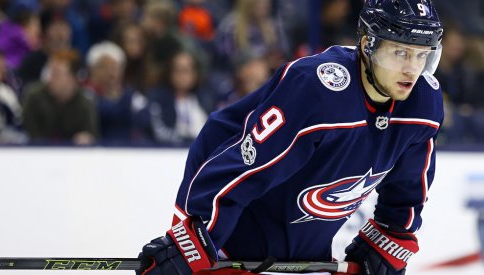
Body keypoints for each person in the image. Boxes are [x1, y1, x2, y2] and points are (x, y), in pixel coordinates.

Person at [137, 1, 444, 275]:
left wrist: (389, 240)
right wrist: (196, 239)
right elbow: (243, 165)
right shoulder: (318, 90)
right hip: (228, 224)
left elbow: (407, 193)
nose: (411, 69)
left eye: (421, 55)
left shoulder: (424, 103)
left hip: (307, 247)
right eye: (400, 52)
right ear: (368, 45)